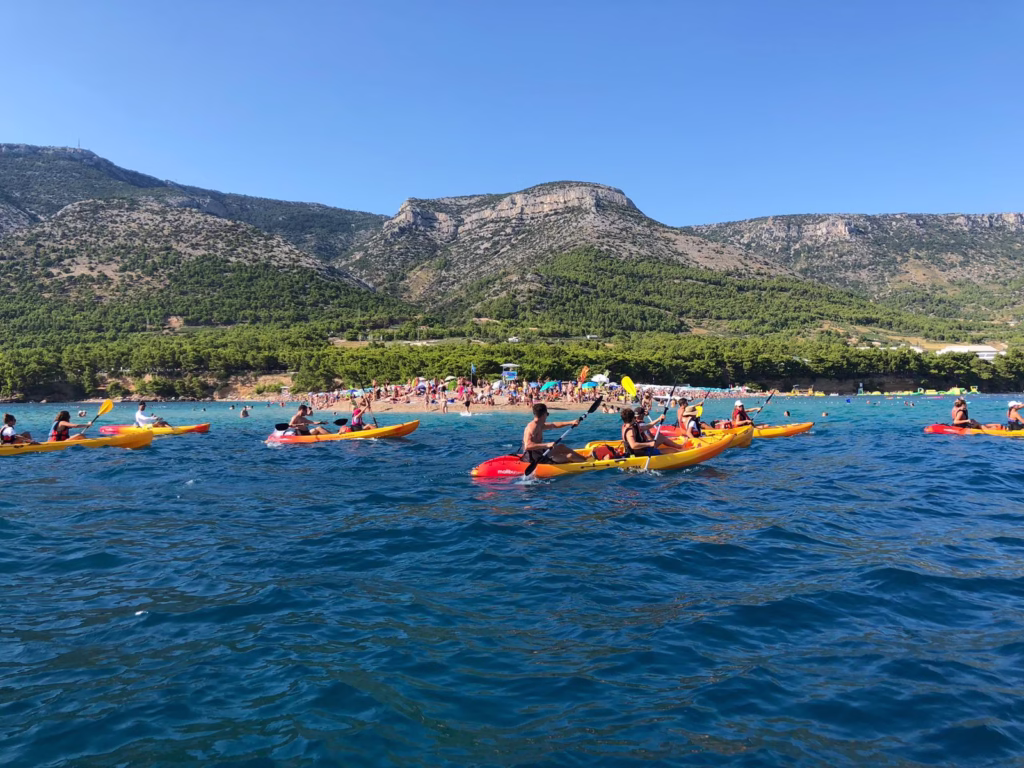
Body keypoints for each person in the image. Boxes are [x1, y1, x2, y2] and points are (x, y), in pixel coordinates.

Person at [521, 403, 586, 465]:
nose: (547, 416)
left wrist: (571, 422)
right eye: (547, 414)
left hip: (540, 452)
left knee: (562, 447)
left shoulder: (539, 424)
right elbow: (527, 446)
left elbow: (554, 425)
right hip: (534, 458)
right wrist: (547, 445)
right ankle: (587, 464)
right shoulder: (532, 427)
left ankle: (585, 458)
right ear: (544, 414)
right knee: (570, 456)